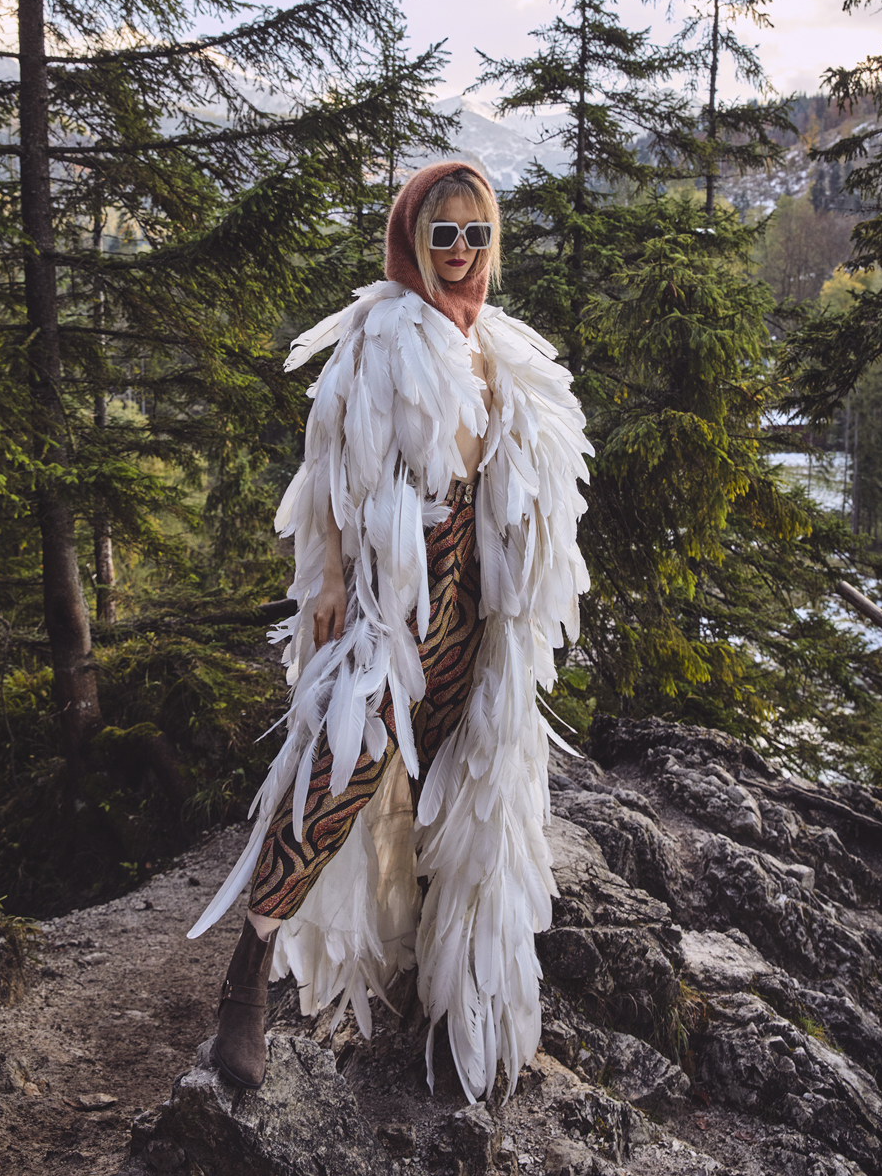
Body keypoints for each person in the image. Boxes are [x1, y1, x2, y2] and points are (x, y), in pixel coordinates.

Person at [188, 161, 591, 1103]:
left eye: (476, 234)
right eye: (443, 233)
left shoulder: (497, 345)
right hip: (394, 596)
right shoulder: (381, 332)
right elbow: (332, 456)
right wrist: (329, 575)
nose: (460, 251)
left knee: (459, 787)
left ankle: (444, 1000)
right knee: (344, 763)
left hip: (475, 601)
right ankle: (247, 969)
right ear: (413, 238)